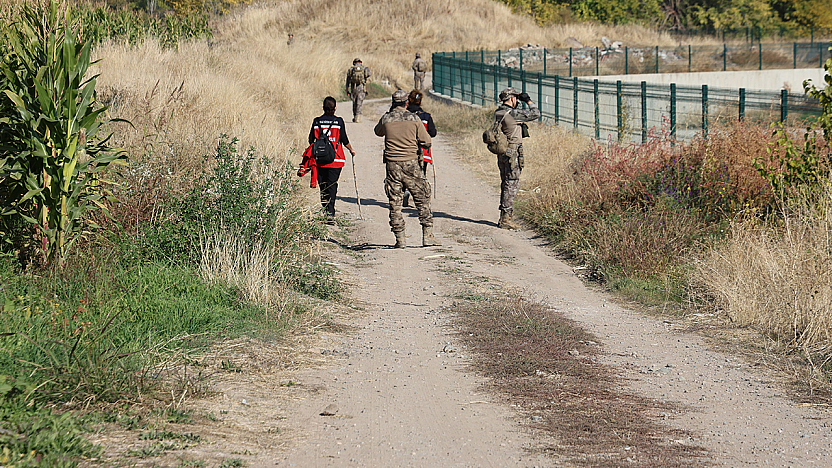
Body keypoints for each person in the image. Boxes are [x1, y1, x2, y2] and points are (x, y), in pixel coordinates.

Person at [374, 90, 437, 248]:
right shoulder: (414, 118)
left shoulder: (386, 118)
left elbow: (377, 132)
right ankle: (427, 235)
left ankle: (400, 239)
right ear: (406, 103)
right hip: (410, 163)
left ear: (393, 101)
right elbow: (427, 141)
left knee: (395, 201)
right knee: (422, 197)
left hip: (392, 164)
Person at [300, 96, 356, 224]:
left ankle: (326, 211)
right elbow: (344, 139)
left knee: (323, 186)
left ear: (323, 108)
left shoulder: (316, 121)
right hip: (335, 160)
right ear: (335, 108)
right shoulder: (339, 122)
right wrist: (351, 150)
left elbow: (310, 140)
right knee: (332, 185)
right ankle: (330, 213)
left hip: (320, 160)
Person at [494, 86, 539, 230]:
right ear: (512, 98)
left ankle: (504, 215)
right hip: (513, 152)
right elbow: (536, 114)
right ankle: (506, 219)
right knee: (511, 183)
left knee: (505, 182)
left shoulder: (499, 111)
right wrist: (528, 101)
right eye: (516, 98)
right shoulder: (513, 113)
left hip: (503, 151)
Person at [403, 89, 436, 207]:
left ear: (408, 101)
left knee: (406, 173)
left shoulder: (404, 115)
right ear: (420, 101)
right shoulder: (426, 116)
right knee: (421, 175)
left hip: (407, 150)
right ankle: (420, 200)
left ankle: (406, 190)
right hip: (423, 152)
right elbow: (433, 133)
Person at [345, 58, 372, 123]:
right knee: (359, 103)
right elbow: (369, 74)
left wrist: (347, 89)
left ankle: (354, 116)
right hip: (361, 88)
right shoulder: (365, 68)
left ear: (354, 63)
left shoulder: (351, 69)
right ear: (360, 62)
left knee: (354, 103)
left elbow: (348, 80)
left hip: (353, 88)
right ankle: (358, 117)